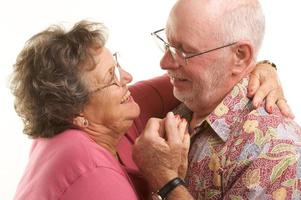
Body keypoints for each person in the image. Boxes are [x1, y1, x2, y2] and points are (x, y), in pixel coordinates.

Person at [11, 20, 290, 200]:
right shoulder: (93, 177)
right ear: (78, 114)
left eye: (117, 64)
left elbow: (205, 76)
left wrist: (262, 67)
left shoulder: (108, 115)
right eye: (112, 77)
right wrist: (167, 180)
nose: (128, 77)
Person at [133, 0, 301, 199]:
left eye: (185, 51)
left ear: (240, 56)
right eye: (167, 44)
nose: (164, 63)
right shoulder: (190, 93)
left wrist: (165, 180)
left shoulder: (275, 150)